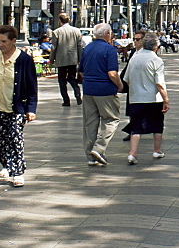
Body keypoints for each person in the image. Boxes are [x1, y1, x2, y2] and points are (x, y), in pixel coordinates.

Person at [0, 24, 37, 187]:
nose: (0, 45)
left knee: (14, 138)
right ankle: (6, 163)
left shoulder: (24, 60)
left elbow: (32, 87)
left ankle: (18, 172)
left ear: (13, 41)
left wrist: (31, 109)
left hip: (16, 107)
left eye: (4, 41)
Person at [80, 23, 123, 166]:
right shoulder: (110, 50)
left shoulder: (87, 49)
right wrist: (119, 85)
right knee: (111, 119)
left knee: (90, 123)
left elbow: (81, 72)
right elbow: (112, 73)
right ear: (108, 34)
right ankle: (99, 148)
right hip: (105, 90)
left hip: (88, 89)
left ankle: (90, 155)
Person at [123, 32, 169, 163]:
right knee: (157, 125)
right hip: (153, 98)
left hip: (136, 98)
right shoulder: (157, 60)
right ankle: (157, 150)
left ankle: (132, 153)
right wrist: (166, 99)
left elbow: (126, 79)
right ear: (156, 47)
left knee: (135, 126)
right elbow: (159, 83)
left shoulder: (134, 58)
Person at [50, 13, 84, 107]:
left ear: (60, 21)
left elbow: (54, 47)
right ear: (69, 20)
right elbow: (79, 46)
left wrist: (51, 60)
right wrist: (80, 59)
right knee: (72, 78)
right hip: (73, 59)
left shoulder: (56, 32)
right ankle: (77, 93)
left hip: (61, 60)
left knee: (62, 81)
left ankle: (66, 100)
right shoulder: (76, 31)